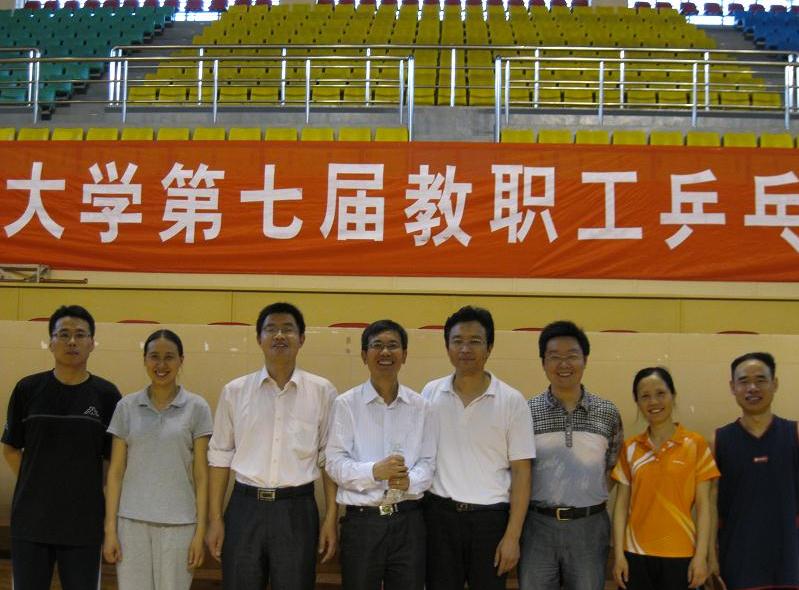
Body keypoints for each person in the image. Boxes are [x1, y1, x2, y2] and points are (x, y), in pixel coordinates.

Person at [205, 302, 338, 590]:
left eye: (288, 329)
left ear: (302, 339)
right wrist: (215, 519)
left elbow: (329, 458)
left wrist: (330, 517)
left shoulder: (322, 391)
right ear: (259, 339)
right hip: (244, 508)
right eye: (271, 329)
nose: (279, 335)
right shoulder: (234, 392)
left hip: (297, 510)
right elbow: (219, 457)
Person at [1, 304, 122, 590]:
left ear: (92, 343)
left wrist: (86, 484)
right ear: (50, 342)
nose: (72, 342)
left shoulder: (107, 395)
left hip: (84, 523)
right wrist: (37, 480)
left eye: (80, 335)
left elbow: (113, 459)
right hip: (31, 522)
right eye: (64, 334)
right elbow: (10, 448)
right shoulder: (27, 389)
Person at [422, 305, 535, 590]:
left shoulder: (512, 401)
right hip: (439, 517)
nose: (465, 349)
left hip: (491, 522)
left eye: (475, 341)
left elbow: (522, 473)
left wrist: (512, 537)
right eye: (457, 341)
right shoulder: (430, 394)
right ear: (447, 347)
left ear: (489, 347)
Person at [326, 319, 436, 590]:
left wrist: (410, 481)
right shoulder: (346, 404)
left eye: (393, 346)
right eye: (377, 345)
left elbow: (428, 462)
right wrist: (374, 472)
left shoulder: (422, 406)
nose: (385, 352)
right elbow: (334, 463)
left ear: (404, 355)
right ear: (364, 355)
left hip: (409, 520)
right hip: (363, 522)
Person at [103, 329, 213, 590]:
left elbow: (201, 475)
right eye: (154, 356)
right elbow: (115, 473)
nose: (161, 365)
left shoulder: (197, 407)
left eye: (169, 357)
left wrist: (200, 532)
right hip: (131, 523)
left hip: (180, 525)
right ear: (144, 360)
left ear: (181, 360)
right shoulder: (126, 407)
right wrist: (110, 530)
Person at [521, 320, 623, 590]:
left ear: (585, 360)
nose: (563, 364)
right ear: (543, 362)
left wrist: (583, 496)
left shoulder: (607, 412)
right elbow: (519, 471)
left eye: (572, 356)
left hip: (589, 526)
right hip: (537, 525)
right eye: (554, 357)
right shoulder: (525, 412)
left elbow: (612, 467)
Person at [612, 367, 718, 590]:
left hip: (682, 554)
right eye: (645, 396)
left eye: (660, 393)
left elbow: (704, 507)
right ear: (637, 402)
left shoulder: (696, 444)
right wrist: (619, 555)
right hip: (635, 555)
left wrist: (701, 556)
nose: (653, 402)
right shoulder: (630, 448)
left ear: (673, 395)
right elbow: (620, 506)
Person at [711, 352, 799, 590]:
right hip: (738, 563)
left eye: (761, 380)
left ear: (775, 384)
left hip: (789, 565)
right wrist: (710, 556)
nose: (752, 388)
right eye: (744, 381)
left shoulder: (794, 434)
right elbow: (711, 508)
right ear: (732, 387)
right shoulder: (719, 440)